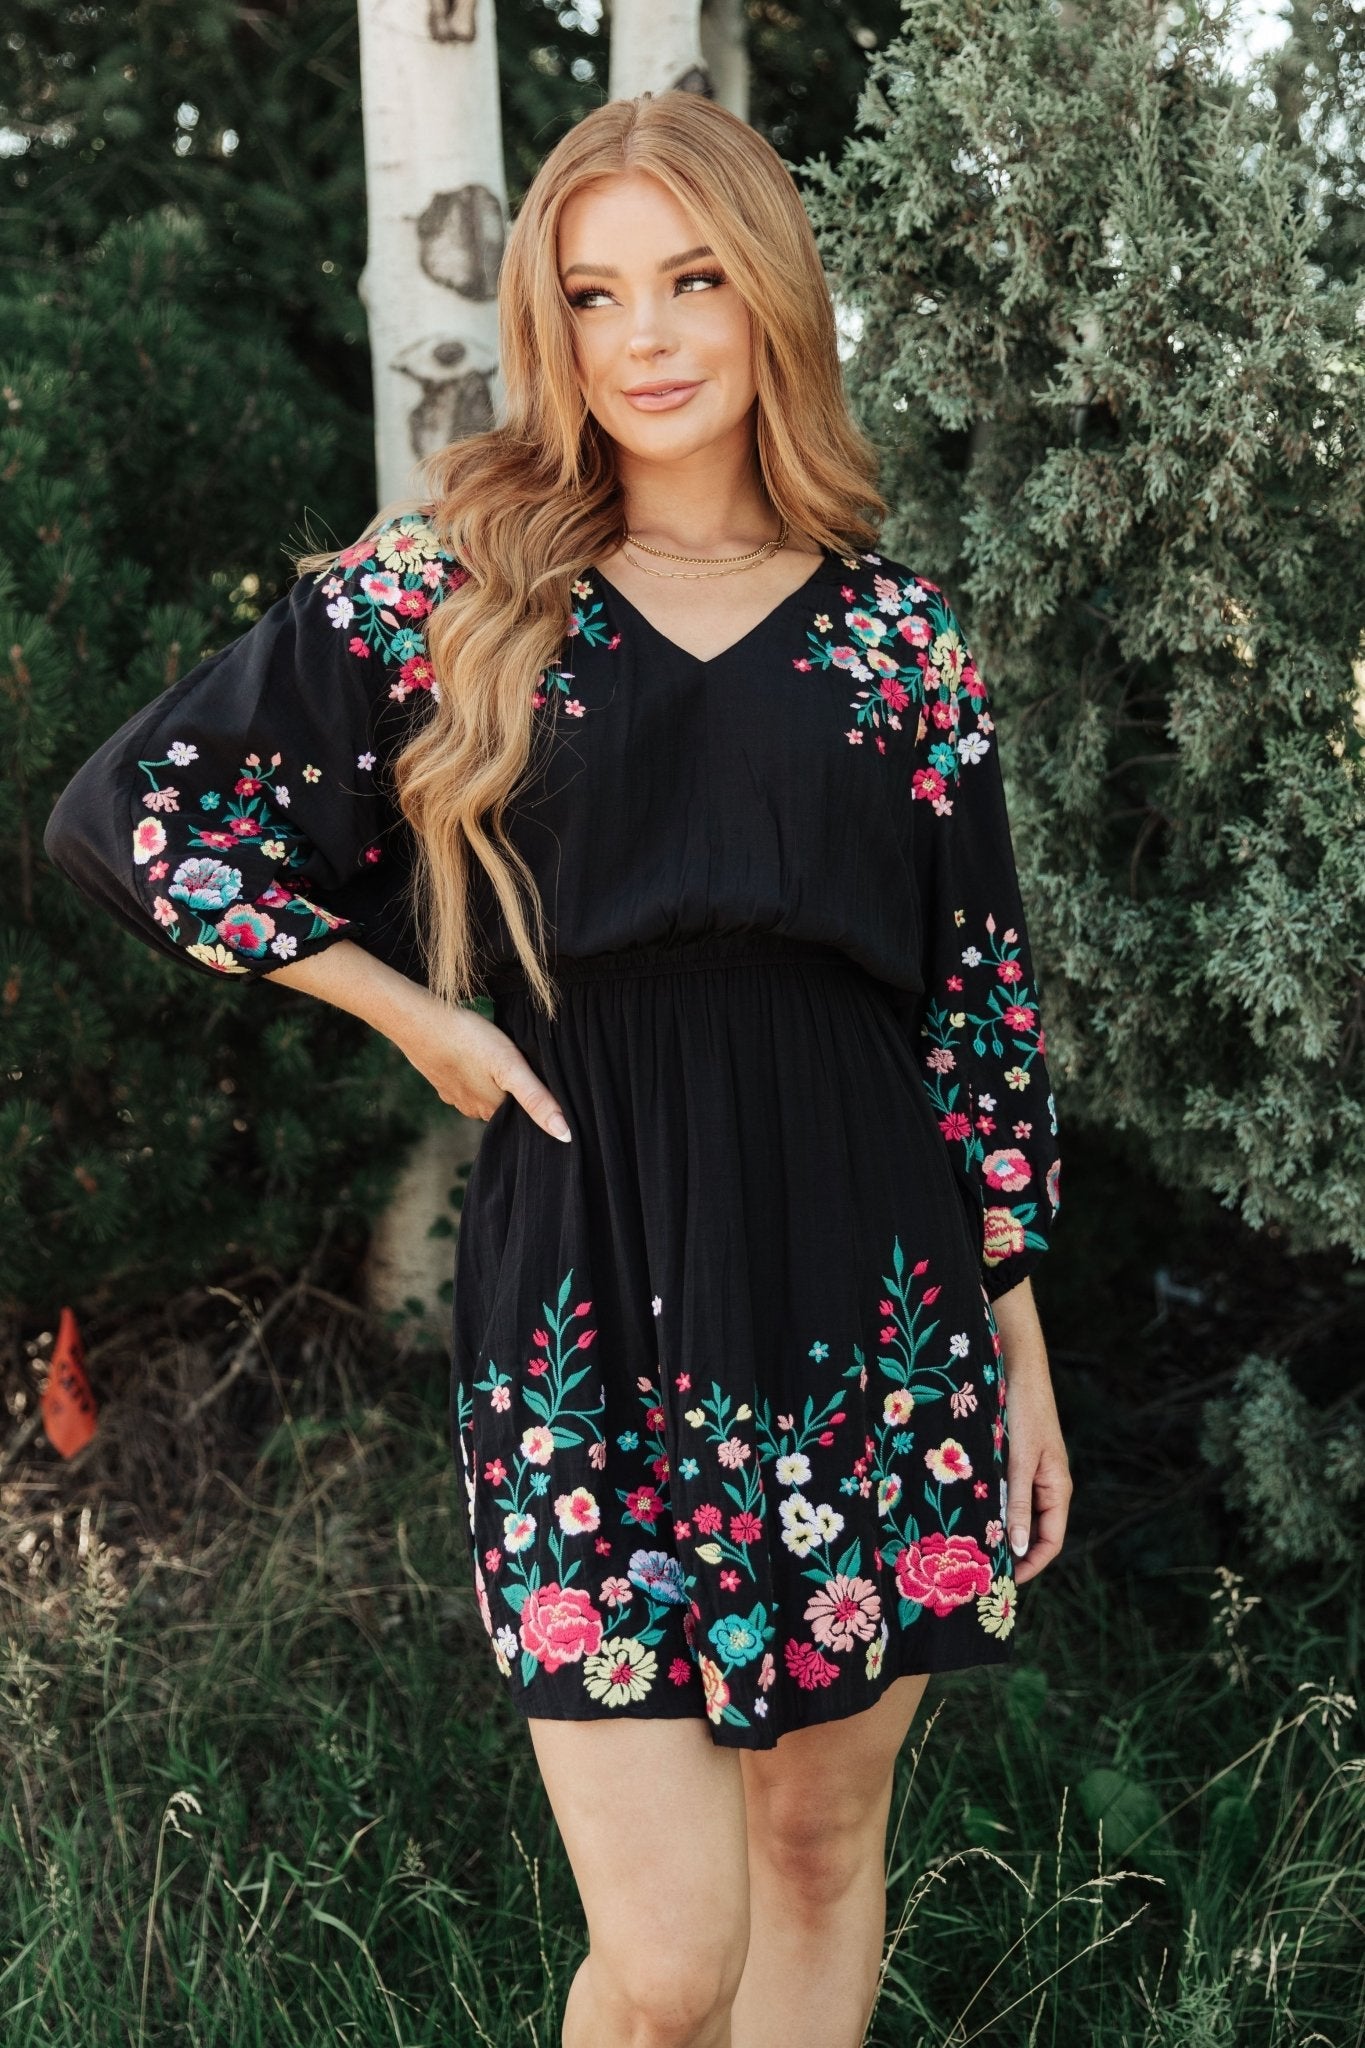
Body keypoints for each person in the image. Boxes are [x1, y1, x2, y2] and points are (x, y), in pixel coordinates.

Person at [45, 88, 1072, 2048]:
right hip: (584, 1280)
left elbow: (974, 1013)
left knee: (813, 1854)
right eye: (593, 296)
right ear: (548, 325)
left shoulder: (901, 644)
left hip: (870, 1279)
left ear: (770, 297)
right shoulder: (461, 589)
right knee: (668, 1961)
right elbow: (136, 814)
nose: (646, 337)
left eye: (691, 280)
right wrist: (412, 1011)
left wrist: (1016, 1342)